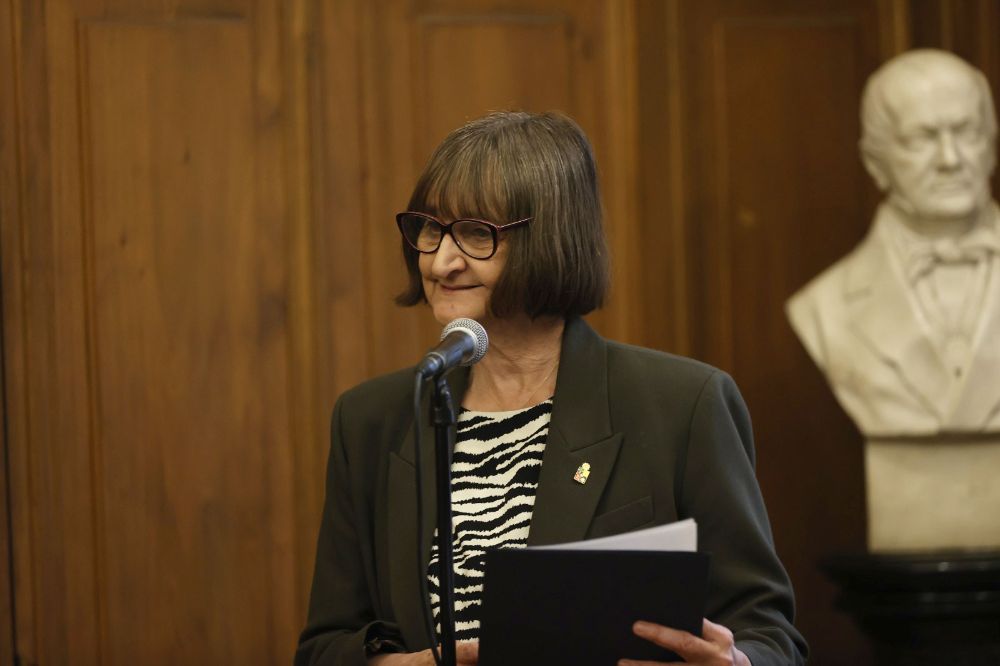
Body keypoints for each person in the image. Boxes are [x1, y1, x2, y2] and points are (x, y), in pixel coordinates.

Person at [297, 111, 807, 665]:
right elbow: (325, 648)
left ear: (551, 239)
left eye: (474, 233)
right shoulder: (373, 419)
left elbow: (769, 634)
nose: (441, 260)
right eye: (430, 229)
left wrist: (737, 663)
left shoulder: (683, 405)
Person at [786, 49, 1000, 437]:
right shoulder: (825, 308)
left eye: (966, 132)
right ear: (875, 163)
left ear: (990, 144)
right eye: (922, 139)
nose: (950, 159)